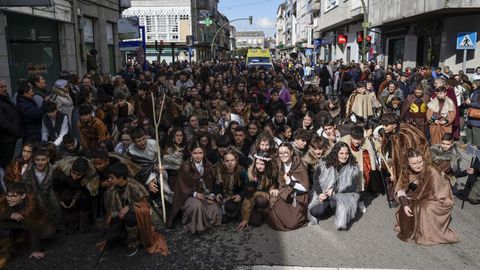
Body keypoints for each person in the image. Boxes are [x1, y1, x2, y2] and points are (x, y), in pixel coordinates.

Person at [96, 163, 168, 257]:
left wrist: (129, 207)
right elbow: (110, 208)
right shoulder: (111, 189)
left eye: (112, 178)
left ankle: (134, 242)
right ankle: (121, 235)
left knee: (130, 217)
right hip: (118, 215)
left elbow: (144, 205)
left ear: (121, 178)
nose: (109, 180)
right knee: (111, 238)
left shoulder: (135, 187)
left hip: (133, 216)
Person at [395, 148, 459, 245]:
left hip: (439, 199)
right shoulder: (406, 171)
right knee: (407, 206)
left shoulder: (431, 170)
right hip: (419, 196)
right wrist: (405, 205)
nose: (418, 165)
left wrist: (418, 199)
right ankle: (413, 229)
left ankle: (428, 234)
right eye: (414, 163)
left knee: (423, 207)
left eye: (420, 162)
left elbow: (438, 193)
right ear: (408, 163)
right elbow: (400, 189)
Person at [167, 141, 222, 233]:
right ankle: (196, 225)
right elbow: (181, 186)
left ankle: (206, 223)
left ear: (204, 153)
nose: (198, 156)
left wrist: (212, 194)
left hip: (205, 194)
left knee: (215, 208)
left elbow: (212, 181)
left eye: (200, 153)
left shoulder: (208, 164)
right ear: (190, 153)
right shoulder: (185, 166)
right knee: (197, 206)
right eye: (195, 153)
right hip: (188, 196)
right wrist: (194, 194)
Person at [0, 182, 56, 268]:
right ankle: (15, 235)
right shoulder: (4, 201)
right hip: (13, 222)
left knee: (48, 232)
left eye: (14, 196)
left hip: (34, 222)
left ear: (23, 196)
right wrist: (10, 215)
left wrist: (35, 250)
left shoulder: (31, 206)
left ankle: (25, 235)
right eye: (8, 195)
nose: (9, 199)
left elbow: (34, 226)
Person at [308, 142, 360, 230]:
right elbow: (316, 178)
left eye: (347, 153)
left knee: (334, 203)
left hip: (342, 193)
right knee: (315, 212)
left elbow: (353, 187)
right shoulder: (325, 163)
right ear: (336, 153)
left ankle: (337, 209)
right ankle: (329, 208)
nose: (344, 156)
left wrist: (336, 190)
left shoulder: (353, 166)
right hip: (325, 191)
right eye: (341, 153)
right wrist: (320, 193)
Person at [267, 143, 309, 231]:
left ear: (291, 152)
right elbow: (272, 178)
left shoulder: (299, 165)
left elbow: (305, 187)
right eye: (281, 153)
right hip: (283, 192)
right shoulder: (278, 162)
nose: (283, 155)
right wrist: (272, 188)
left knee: (292, 223)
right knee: (274, 217)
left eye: (286, 152)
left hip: (298, 196)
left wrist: (290, 182)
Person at [52, 157, 99, 234]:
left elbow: (83, 188)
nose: (75, 176)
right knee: (66, 198)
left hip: (81, 188)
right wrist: (60, 200)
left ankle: (84, 223)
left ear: (85, 173)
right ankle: (71, 223)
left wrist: (75, 198)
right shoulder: (62, 169)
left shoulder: (91, 173)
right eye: (73, 172)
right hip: (66, 186)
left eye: (79, 175)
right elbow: (56, 187)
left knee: (85, 199)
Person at [238, 152, 278, 229]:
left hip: (267, 199)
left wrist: (272, 188)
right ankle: (257, 212)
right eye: (257, 163)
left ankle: (265, 213)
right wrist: (245, 219)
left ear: (267, 164)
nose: (259, 167)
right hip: (253, 198)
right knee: (256, 222)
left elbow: (275, 183)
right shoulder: (252, 173)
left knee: (263, 203)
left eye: (262, 164)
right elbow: (248, 195)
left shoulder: (273, 170)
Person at [340, 126, 376, 213]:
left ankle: (360, 201)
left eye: (359, 139)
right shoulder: (344, 140)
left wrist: (372, 168)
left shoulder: (366, 142)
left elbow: (371, 155)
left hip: (361, 167)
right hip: (347, 166)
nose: (357, 141)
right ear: (350, 136)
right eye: (355, 139)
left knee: (362, 185)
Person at [21, 148, 61, 225]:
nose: (40, 162)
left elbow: (54, 185)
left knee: (56, 205)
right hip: (32, 194)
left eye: (43, 160)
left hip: (48, 192)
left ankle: (55, 223)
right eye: (37, 160)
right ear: (34, 160)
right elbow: (25, 185)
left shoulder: (52, 171)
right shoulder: (28, 171)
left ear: (48, 159)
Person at [212, 149, 247, 223]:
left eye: (232, 160)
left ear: (236, 160)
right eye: (227, 161)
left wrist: (240, 195)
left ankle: (237, 211)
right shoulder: (220, 171)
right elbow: (217, 185)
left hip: (236, 197)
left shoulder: (241, 171)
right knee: (224, 220)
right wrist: (218, 193)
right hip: (225, 197)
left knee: (231, 207)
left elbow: (248, 187)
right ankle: (230, 212)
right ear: (223, 162)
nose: (230, 163)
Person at [0, 80, 23, 169]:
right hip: (6, 140)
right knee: (6, 164)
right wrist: (15, 131)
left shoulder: (6, 99)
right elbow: (2, 122)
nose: (5, 89)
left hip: (13, 138)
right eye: (2, 87)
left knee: (12, 162)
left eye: (5, 86)